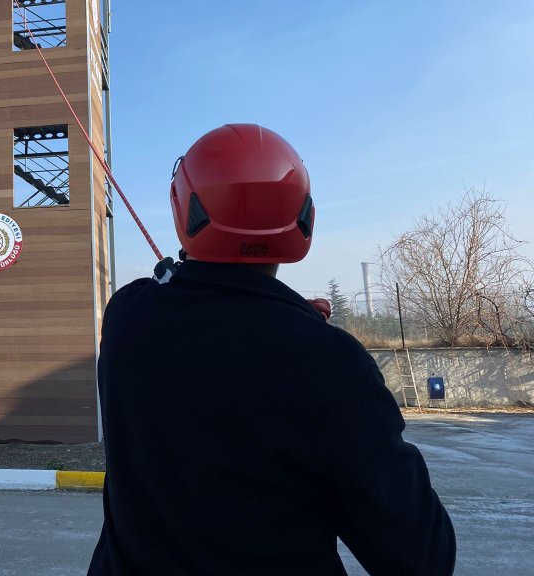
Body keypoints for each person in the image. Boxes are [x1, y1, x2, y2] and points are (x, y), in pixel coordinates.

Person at [88, 124, 456, 576]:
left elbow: (206, 331)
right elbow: (421, 555)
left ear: (183, 209)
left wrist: (283, 318)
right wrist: (300, 329)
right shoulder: (330, 362)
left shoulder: (126, 318)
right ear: (304, 218)